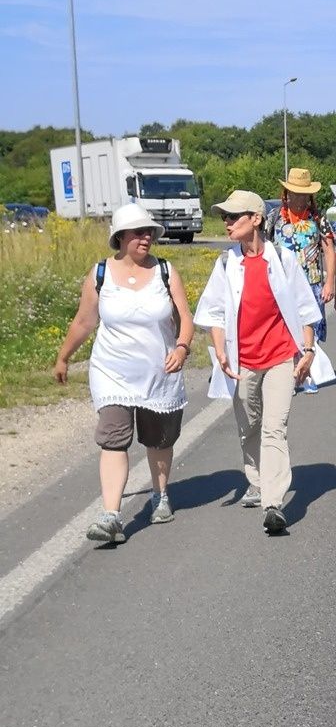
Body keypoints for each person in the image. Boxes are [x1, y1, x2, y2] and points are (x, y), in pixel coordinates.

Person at [53, 201, 195, 544]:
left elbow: (185, 317)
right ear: (120, 236)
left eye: (149, 232)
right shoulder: (100, 273)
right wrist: (63, 357)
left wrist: (181, 348)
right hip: (112, 371)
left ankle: (160, 495)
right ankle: (111, 514)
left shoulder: (165, 271)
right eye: (138, 232)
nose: (146, 237)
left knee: (159, 439)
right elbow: (84, 321)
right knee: (113, 438)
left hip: (159, 372)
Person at [195, 190, 322, 536]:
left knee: (274, 427)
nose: (227, 222)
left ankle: (273, 503)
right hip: (243, 361)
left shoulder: (282, 258)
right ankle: (256, 478)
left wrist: (308, 350)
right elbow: (213, 312)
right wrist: (220, 350)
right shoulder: (226, 264)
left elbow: (305, 307)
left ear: (256, 219)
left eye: (234, 216)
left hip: (281, 356)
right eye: (224, 217)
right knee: (249, 426)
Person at [270, 167, 335, 393]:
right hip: (282, 284)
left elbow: (329, 250)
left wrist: (330, 282)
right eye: (294, 193)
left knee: (310, 329)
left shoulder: (318, 219)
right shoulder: (275, 218)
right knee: (286, 329)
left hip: (311, 283)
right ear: (286, 194)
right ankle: (291, 374)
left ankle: (308, 374)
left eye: (303, 194)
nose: (298, 198)